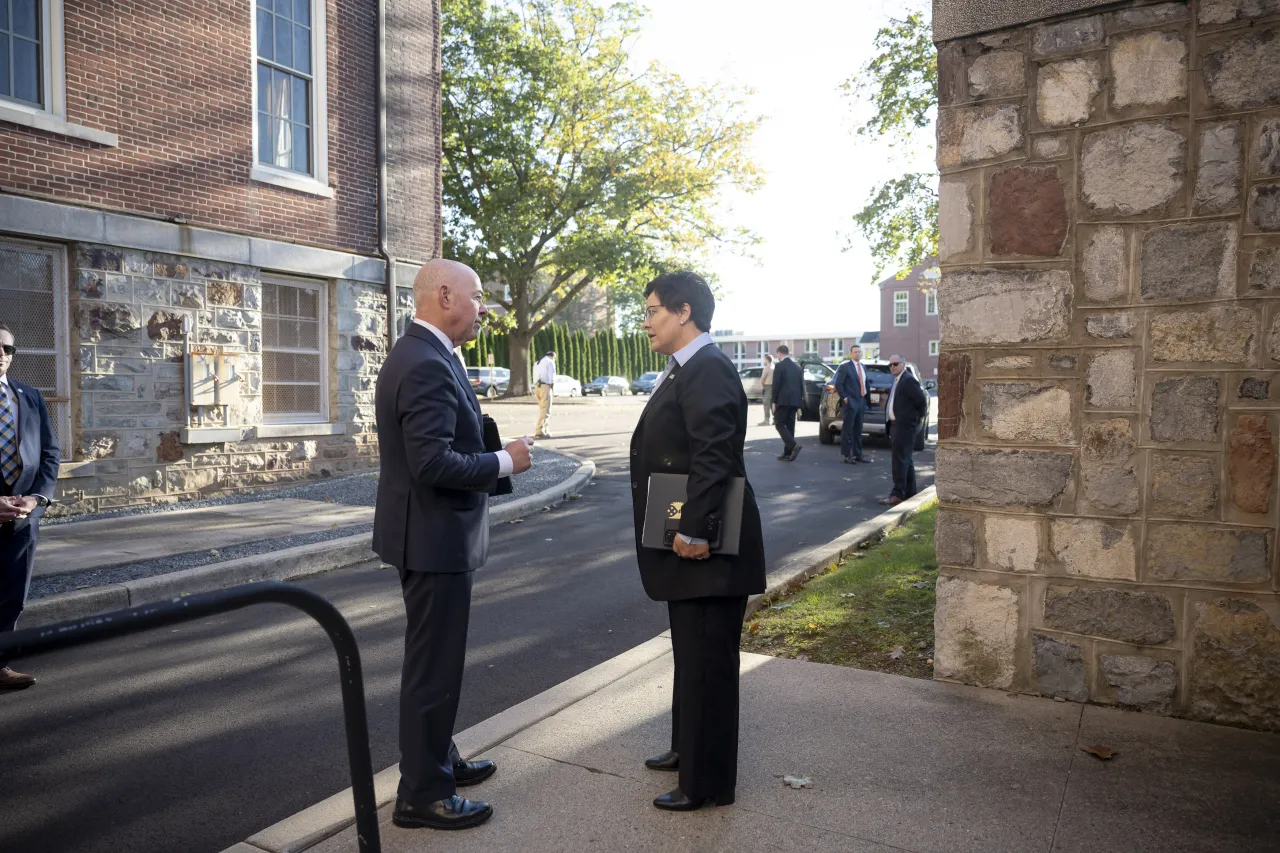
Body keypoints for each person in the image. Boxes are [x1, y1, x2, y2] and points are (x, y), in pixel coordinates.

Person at [373, 259, 534, 831]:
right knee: (433, 668)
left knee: (435, 663)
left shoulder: (426, 352)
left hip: (431, 534)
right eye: (477, 295)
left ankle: (436, 757)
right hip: (434, 539)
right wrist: (502, 460)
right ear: (444, 295)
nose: (483, 306)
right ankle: (423, 792)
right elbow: (431, 461)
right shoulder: (423, 361)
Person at [631, 270, 766, 812]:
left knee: (708, 660)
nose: (646, 323)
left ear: (684, 312)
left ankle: (706, 784)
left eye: (653, 311)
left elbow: (714, 458)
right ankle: (687, 750)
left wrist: (691, 529)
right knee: (690, 654)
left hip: (706, 545)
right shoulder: (686, 368)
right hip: (690, 543)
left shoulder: (706, 368)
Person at [0, 322, 59, 690]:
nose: (1, 355)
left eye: (7, 348)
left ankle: (0, 665)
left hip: (22, 518)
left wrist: (37, 498)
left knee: (11, 595)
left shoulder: (30, 396)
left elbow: (50, 453)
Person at [880, 355, 927, 506]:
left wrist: (913, 420)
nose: (892, 366)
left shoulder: (908, 380)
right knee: (906, 459)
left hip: (904, 426)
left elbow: (921, 401)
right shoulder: (898, 379)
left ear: (903, 364)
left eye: (895, 364)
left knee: (899, 461)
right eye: (890, 365)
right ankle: (910, 492)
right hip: (896, 425)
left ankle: (897, 494)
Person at [832, 344, 869, 464]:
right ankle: (847, 455)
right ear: (850, 354)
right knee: (848, 430)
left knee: (858, 430)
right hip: (851, 402)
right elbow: (838, 384)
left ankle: (858, 454)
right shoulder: (845, 367)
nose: (857, 354)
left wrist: (866, 399)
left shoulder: (863, 366)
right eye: (855, 352)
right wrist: (845, 398)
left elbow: (865, 383)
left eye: (859, 352)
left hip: (861, 401)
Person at [770, 345, 803, 461]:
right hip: (794, 401)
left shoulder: (779, 366)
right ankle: (788, 453)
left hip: (783, 401)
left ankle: (793, 446)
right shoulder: (797, 367)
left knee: (779, 423)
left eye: (777, 355)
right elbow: (801, 385)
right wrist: (800, 402)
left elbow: (776, 385)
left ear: (779, 353)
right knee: (790, 426)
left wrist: (773, 401)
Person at [533, 350, 556, 438]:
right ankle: (540, 430)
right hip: (545, 387)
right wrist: (553, 390)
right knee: (546, 410)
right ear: (552, 356)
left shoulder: (537, 362)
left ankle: (545, 430)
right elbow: (552, 378)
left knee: (542, 409)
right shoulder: (550, 362)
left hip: (537, 386)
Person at [758, 353, 774, 426]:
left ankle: (766, 420)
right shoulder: (774, 366)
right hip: (774, 387)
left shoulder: (767, 368)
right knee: (773, 404)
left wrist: (763, 387)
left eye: (765, 359)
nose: (764, 360)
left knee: (766, 403)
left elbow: (762, 379)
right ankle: (775, 420)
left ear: (767, 360)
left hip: (767, 387)